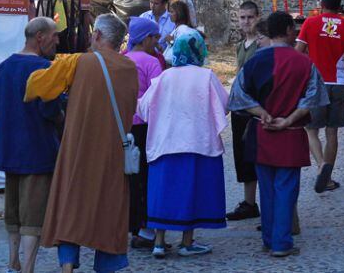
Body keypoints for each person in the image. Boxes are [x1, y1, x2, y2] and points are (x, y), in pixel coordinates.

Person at [24, 14, 138, 273]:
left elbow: (35, 88)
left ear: (97, 35)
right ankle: (107, 267)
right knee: (110, 210)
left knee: (71, 207)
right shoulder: (129, 68)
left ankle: (67, 267)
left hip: (78, 150)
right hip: (112, 154)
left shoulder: (77, 62)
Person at [228, 12, 328, 257]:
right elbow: (313, 98)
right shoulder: (304, 63)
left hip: (262, 134)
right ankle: (282, 243)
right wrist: (289, 120)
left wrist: (262, 112)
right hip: (291, 135)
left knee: (268, 188)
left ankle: (269, 238)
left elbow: (237, 97)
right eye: (293, 28)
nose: (295, 32)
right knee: (286, 189)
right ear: (286, 29)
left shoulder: (253, 62)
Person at [137, 31, 229, 258]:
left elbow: (144, 109)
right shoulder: (206, 76)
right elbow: (224, 106)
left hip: (165, 143)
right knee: (193, 192)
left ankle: (159, 242)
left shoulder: (163, 78)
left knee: (163, 192)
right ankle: (187, 243)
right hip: (198, 142)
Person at [0, 17, 62, 273]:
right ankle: (27, 269)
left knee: (13, 211)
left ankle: (13, 262)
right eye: (54, 35)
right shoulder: (44, 69)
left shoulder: (1, 69)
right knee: (32, 216)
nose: (57, 40)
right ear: (40, 37)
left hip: (8, 150)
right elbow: (50, 111)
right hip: (37, 150)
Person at [296, 0, 344, 193]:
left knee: (310, 130)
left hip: (316, 83)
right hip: (340, 83)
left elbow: (298, 52)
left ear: (321, 4)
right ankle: (328, 178)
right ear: (340, 6)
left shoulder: (310, 23)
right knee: (332, 132)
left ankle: (320, 166)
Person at [122, 17, 164, 249]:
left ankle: (131, 226)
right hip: (146, 126)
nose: (157, 42)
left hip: (124, 126)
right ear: (146, 38)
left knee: (130, 178)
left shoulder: (122, 60)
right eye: (155, 37)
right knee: (148, 178)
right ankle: (147, 229)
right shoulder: (151, 62)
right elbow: (157, 97)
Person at [227, 1, 262, 221]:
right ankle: (249, 202)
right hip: (241, 107)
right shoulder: (242, 45)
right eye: (242, 17)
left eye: (249, 17)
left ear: (257, 17)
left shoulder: (261, 44)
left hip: (255, 108)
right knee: (243, 157)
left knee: (257, 157)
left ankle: (259, 202)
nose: (246, 21)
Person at [163, 1, 197, 65]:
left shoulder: (183, 29)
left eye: (172, 12)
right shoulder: (177, 28)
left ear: (179, 13)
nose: (169, 14)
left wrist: (171, 41)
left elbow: (184, 48)